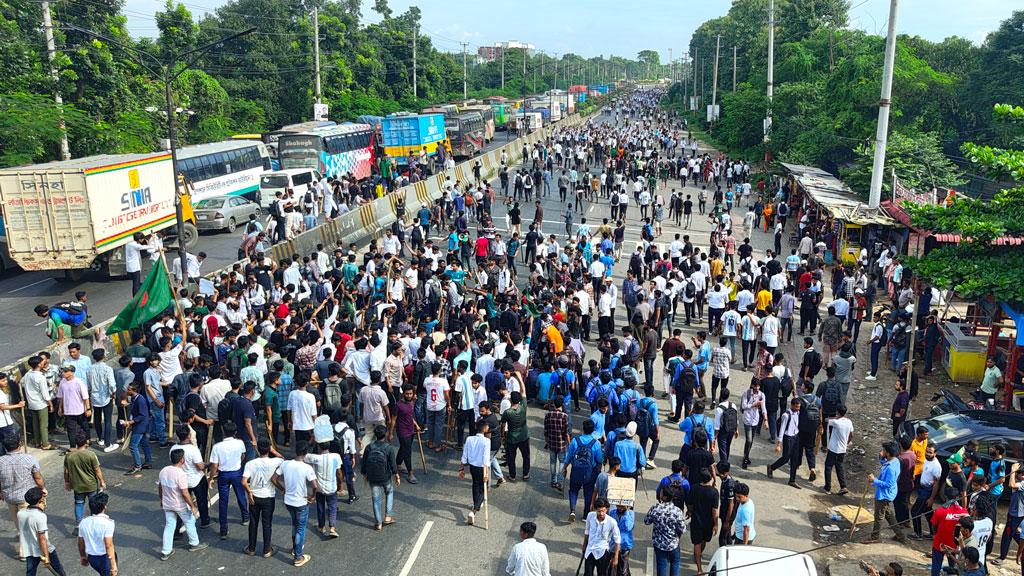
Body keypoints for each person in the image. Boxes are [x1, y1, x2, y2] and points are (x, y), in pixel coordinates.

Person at [158, 449, 208, 560]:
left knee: (169, 526)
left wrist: (161, 499)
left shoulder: (164, 471)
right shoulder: (181, 474)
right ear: (182, 460)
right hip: (179, 505)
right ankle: (194, 543)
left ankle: (166, 551)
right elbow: (185, 493)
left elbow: (160, 487)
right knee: (190, 521)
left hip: (167, 504)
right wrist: (193, 506)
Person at [272, 441, 316, 567]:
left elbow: (274, 478)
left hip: (288, 501)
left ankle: (294, 548)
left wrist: (282, 489)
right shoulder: (307, 468)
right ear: (306, 453)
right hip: (301, 502)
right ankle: (298, 556)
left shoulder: (285, 464)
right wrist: (312, 497)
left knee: (294, 525)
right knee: (300, 529)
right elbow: (314, 485)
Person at [242, 437, 282, 557]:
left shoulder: (250, 464)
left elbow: (244, 481)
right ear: (269, 448)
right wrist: (273, 451)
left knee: (253, 523)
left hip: (254, 496)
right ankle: (266, 550)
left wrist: (249, 492)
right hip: (268, 497)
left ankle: (251, 548)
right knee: (267, 523)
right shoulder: (276, 461)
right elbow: (282, 458)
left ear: (258, 449)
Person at [863, 440, 908, 544]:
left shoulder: (891, 468)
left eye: (883, 450)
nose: (882, 451)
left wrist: (874, 480)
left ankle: (875, 537)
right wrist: (881, 458)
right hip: (888, 494)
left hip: (884, 495)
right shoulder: (895, 460)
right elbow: (885, 464)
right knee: (888, 514)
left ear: (887, 453)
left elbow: (888, 484)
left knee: (878, 517)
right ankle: (900, 535)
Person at [19, 487, 66, 576]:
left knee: (30, 572)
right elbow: (42, 538)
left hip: (29, 549)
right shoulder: (40, 516)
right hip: (45, 549)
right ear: (40, 501)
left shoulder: (20, 513)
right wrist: (46, 556)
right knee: (58, 569)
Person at [563, 419, 603, 522]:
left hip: (576, 470)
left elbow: (569, 456)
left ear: (583, 428)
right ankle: (586, 515)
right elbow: (599, 459)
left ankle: (572, 510)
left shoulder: (575, 441)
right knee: (588, 492)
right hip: (589, 473)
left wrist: (565, 467)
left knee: (573, 490)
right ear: (593, 430)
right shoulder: (596, 443)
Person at [361, 424, 399, 531]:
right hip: (386, 477)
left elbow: (364, 464)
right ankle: (387, 516)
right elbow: (393, 464)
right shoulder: (389, 448)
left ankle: (378, 523)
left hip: (373, 478)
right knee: (389, 492)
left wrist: (365, 475)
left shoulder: (369, 447)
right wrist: (396, 475)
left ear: (375, 435)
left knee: (376, 499)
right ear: (385, 434)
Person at [645, 483, 687, 576]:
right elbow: (683, 529)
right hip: (673, 544)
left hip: (659, 544)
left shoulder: (655, 508)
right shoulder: (677, 511)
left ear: (663, 497)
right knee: (675, 564)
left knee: (661, 566)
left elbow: (647, 521)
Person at [64, 433, 105, 525]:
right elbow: (97, 470)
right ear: (86, 442)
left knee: (79, 504)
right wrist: (102, 481)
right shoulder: (91, 455)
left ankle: (79, 524)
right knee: (93, 504)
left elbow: (66, 472)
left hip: (77, 486)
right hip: (91, 485)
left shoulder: (69, 456)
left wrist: (67, 482)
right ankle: (92, 523)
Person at [306, 441, 342, 538]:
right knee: (332, 507)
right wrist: (340, 485)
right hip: (332, 487)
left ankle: (321, 526)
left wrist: (312, 442)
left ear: (319, 447)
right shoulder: (336, 457)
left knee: (320, 507)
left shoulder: (315, 458)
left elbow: (304, 454)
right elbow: (339, 473)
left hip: (319, 488)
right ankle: (332, 528)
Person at [459, 420, 491, 526]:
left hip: (473, 467)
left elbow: (465, 454)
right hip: (482, 468)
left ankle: (476, 503)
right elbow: (486, 458)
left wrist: (462, 468)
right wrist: (486, 473)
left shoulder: (469, 439)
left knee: (475, 485)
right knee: (484, 488)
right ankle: (474, 510)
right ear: (485, 428)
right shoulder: (487, 441)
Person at [76, 492, 117, 576]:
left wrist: (83, 556)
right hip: (105, 559)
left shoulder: (84, 522)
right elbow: (108, 545)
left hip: (92, 559)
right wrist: (113, 566)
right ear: (104, 507)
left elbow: (80, 542)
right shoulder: (108, 523)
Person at [689, 468, 720, 575]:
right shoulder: (714, 492)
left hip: (696, 521)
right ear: (710, 478)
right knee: (703, 541)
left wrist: (689, 512)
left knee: (696, 543)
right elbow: (715, 510)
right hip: (708, 522)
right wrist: (716, 524)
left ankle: (699, 568)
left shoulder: (693, 488)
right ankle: (698, 557)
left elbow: (690, 504)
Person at [767, 397, 803, 488]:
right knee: (786, 458)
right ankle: (771, 467)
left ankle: (792, 480)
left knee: (795, 459)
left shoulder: (798, 413)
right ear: (792, 405)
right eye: (796, 407)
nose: (798, 408)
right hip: (788, 438)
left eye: (799, 407)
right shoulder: (786, 415)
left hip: (796, 437)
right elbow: (782, 430)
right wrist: (779, 444)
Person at [581, 497, 621, 576]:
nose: (601, 513)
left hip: (603, 552)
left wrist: (616, 557)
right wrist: (584, 544)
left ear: (607, 509)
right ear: (595, 510)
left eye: (603, 511)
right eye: (599, 511)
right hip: (590, 550)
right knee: (588, 574)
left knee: (602, 574)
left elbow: (617, 540)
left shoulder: (612, 522)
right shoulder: (590, 516)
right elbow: (587, 531)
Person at [823, 404, 853, 495]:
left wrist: (835, 417)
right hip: (843, 449)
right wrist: (847, 443)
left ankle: (827, 487)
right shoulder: (849, 422)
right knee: (839, 467)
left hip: (834, 449)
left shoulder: (836, 422)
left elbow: (826, 420)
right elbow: (851, 435)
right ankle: (843, 486)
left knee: (828, 467)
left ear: (837, 412)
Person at [502, 391, 531, 481]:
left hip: (512, 437)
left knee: (511, 457)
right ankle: (525, 474)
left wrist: (502, 436)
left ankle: (512, 475)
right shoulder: (523, 407)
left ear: (511, 400)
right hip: (524, 436)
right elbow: (523, 391)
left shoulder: (507, 412)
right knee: (526, 456)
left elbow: (503, 425)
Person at [543, 397, 570, 490]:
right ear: (562, 405)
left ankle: (553, 481)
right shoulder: (564, 416)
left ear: (554, 404)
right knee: (562, 461)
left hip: (551, 442)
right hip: (561, 443)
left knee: (552, 461)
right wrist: (569, 443)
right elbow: (566, 432)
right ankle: (559, 480)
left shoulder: (548, 415)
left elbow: (546, 431)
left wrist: (546, 441)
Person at [610, 503, 635, 576]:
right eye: (618, 506)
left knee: (622, 568)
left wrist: (626, 512)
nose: (620, 508)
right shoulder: (612, 512)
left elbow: (628, 527)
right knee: (612, 566)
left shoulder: (630, 513)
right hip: (613, 544)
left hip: (624, 544)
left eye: (622, 506)